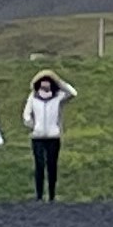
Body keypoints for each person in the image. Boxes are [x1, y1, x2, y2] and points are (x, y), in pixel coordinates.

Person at [22, 71, 76, 200]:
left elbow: (73, 93)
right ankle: (39, 195)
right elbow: (26, 114)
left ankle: (52, 194)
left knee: (52, 166)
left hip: (53, 136)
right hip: (38, 137)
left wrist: (60, 82)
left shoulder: (58, 97)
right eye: (42, 81)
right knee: (39, 165)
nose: (45, 83)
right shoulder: (33, 97)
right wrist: (32, 125)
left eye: (48, 81)